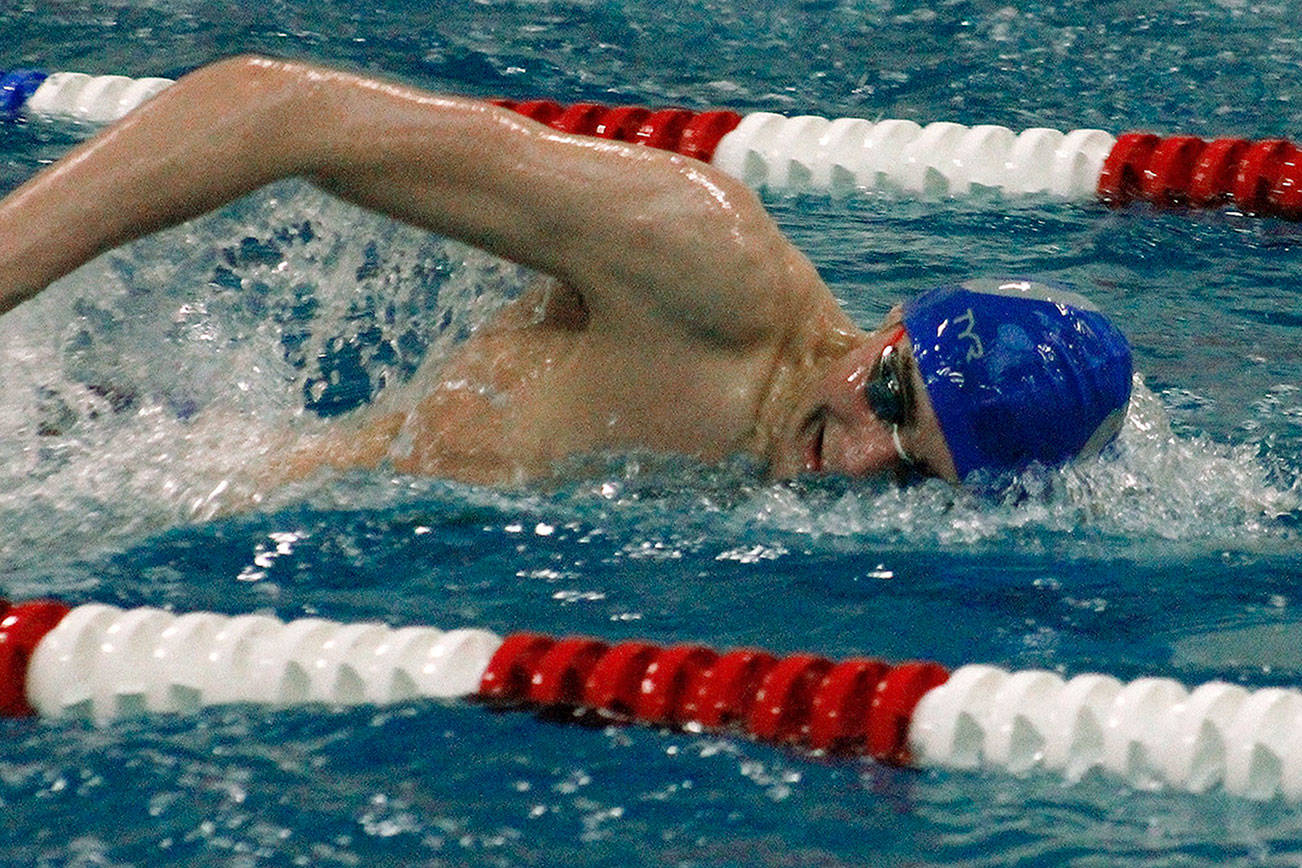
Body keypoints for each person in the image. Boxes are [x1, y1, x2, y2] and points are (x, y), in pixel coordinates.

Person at [0, 55, 1133, 489]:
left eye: (911, 474)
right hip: (133, 462)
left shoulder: (795, 508)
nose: (862, 457)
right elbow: (276, 107)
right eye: (892, 396)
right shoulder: (707, 265)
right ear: (887, 326)